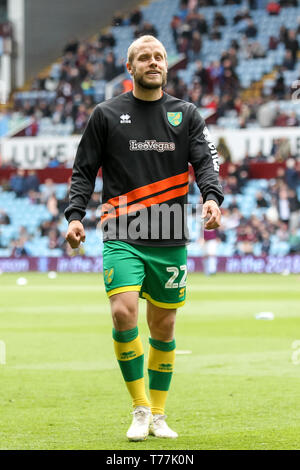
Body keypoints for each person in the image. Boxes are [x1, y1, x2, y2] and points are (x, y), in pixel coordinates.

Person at [65, 35, 223, 441]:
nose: (153, 62)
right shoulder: (105, 114)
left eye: (159, 57)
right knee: (122, 313)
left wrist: (211, 197)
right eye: (144, 58)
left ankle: (158, 413)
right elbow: (84, 170)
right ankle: (138, 408)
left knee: (164, 326)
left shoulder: (186, 115)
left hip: (170, 233)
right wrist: (75, 216)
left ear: (166, 65)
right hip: (122, 232)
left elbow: (206, 162)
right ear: (130, 67)